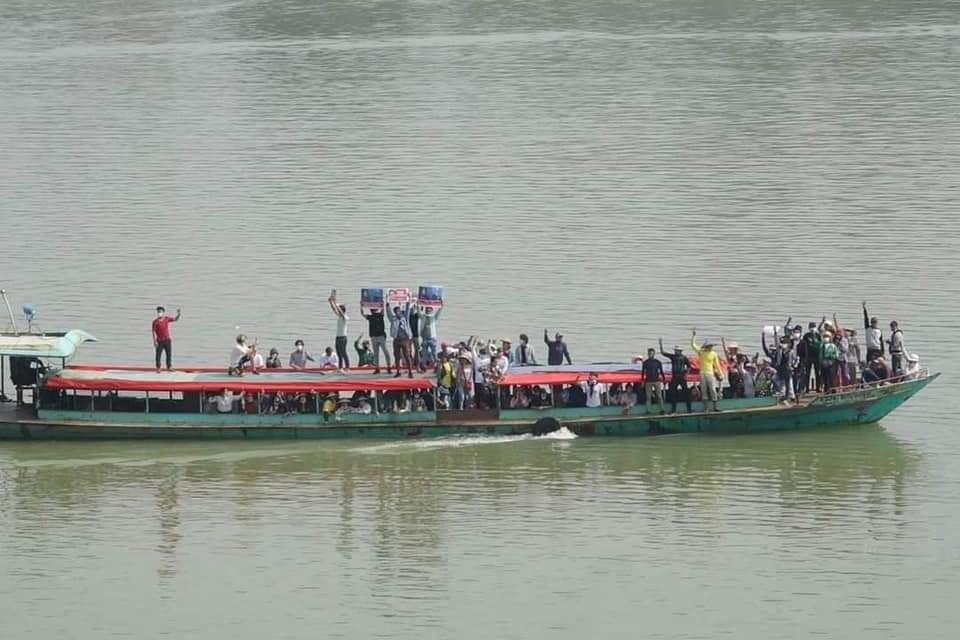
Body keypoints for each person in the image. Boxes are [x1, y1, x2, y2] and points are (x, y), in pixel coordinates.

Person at [691, 330, 722, 412]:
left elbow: (717, 365)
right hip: (702, 373)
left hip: (710, 373)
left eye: (711, 346)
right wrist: (694, 336)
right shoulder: (701, 352)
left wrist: (720, 374)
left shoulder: (714, 354)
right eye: (709, 346)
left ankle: (715, 407)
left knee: (712, 389)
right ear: (706, 346)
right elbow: (693, 345)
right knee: (704, 390)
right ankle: (706, 408)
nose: (710, 347)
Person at [762, 329, 797, 403]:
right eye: (782, 343)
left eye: (784, 343)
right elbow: (776, 343)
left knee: (789, 384)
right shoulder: (779, 351)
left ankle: (790, 397)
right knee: (781, 384)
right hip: (781, 370)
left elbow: (794, 358)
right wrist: (775, 334)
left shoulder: (790, 351)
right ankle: (784, 396)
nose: (783, 344)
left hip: (787, 370)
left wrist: (793, 366)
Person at [659, 338, 691, 414]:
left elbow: (689, 367)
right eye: (675, 350)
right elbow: (663, 353)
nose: (675, 351)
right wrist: (660, 344)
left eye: (677, 350)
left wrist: (686, 374)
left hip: (682, 377)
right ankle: (674, 410)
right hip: (675, 377)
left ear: (680, 351)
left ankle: (689, 409)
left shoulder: (684, 357)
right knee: (673, 393)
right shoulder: (673, 356)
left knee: (686, 393)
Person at [362, 305, 392, 374]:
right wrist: (362, 305)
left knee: (385, 351)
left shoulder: (380, 315)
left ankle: (389, 366)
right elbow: (362, 314)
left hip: (381, 336)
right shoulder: (370, 317)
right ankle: (377, 368)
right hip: (373, 337)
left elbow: (382, 310)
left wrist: (382, 304)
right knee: (376, 353)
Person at [151, 306, 181, 372]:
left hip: (167, 340)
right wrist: (154, 341)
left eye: (160, 312)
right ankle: (158, 368)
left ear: (163, 312)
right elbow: (153, 331)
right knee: (158, 355)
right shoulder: (155, 322)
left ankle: (169, 367)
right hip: (159, 341)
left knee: (168, 354)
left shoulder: (166, 319)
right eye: (158, 312)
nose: (159, 313)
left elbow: (175, 319)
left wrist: (178, 314)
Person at [389, 303, 415, 378]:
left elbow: (407, 311)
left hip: (405, 339)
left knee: (407, 355)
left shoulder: (405, 318)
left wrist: (408, 302)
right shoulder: (393, 319)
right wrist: (387, 305)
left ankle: (410, 372)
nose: (398, 313)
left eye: (399, 311)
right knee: (397, 356)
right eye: (396, 312)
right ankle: (398, 371)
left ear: (400, 311)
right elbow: (388, 314)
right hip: (396, 339)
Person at [328, 292, 350, 372]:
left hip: (343, 338)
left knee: (343, 352)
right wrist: (331, 302)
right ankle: (340, 368)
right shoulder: (339, 317)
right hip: (338, 337)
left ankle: (347, 367)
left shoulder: (345, 317)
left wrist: (336, 304)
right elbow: (334, 309)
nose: (338, 310)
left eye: (340, 309)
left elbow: (340, 312)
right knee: (339, 353)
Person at [641, 348, 666, 413]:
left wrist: (664, 379)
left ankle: (662, 409)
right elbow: (643, 372)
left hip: (656, 380)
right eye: (649, 353)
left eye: (652, 353)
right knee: (648, 397)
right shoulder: (645, 362)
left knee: (659, 396)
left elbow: (661, 371)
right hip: (648, 381)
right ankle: (648, 410)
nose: (650, 355)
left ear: (654, 354)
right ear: (648, 354)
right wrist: (642, 381)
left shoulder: (658, 362)